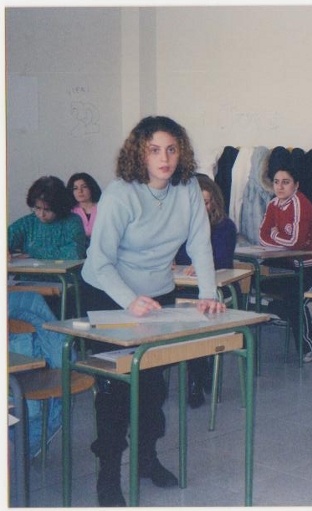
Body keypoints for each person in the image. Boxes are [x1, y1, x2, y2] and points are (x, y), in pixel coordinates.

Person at [81, 116, 226, 507]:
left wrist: (208, 294)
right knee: (115, 390)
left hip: (158, 294)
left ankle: (147, 459)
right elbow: (99, 261)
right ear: (139, 153)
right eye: (155, 150)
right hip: (109, 294)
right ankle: (108, 477)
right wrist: (129, 299)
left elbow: (200, 243)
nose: (165, 158)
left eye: (172, 149)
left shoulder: (188, 188)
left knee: (152, 386)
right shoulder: (120, 193)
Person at [174, 173, 237, 408]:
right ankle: (201, 373)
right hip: (186, 288)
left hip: (216, 290)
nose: (201, 207)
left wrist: (200, 264)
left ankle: (195, 379)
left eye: (206, 202)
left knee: (196, 319)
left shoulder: (225, 226)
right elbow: (175, 254)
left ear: (214, 203)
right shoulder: (180, 226)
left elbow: (222, 258)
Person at [259, 156, 312, 363]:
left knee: (294, 299)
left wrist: (274, 235)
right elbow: (261, 236)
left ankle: (309, 347)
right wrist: (279, 239)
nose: (280, 187)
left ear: (296, 185)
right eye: (276, 182)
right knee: (256, 282)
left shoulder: (300, 203)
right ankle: (276, 308)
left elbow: (296, 243)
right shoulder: (273, 204)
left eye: (286, 182)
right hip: (290, 267)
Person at [8, 175, 86, 260]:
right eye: (37, 208)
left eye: (48, 210)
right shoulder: (27, 222)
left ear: (60, 207)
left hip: (65, 269)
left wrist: (34, 253)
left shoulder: (72, 221)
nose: (41, 214)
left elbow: (76, 252)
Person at [67, 172, 102, 244]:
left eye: (84, 187)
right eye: (75, 188)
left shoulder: (102, 208)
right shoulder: (70, 212)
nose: (80, 191)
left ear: (91, 188)